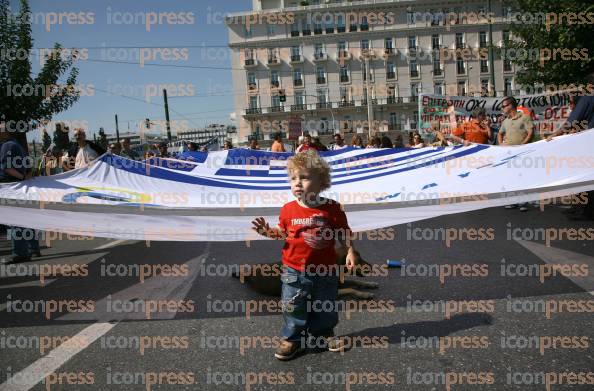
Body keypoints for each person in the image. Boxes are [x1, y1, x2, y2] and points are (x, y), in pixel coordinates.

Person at [251, 150, 356, 360]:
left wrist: (349, 250)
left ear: (321, 182)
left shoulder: (332, 209)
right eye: (293, 178)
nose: (297, 183)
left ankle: (323, 335)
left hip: (325, 271)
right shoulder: (288, 209)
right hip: (294, 270)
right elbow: (283, 233)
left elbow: (343, 232)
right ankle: (293, 339)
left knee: (325, 304)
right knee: (293, 305)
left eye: (304, 177)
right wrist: (267, 231)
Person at [0, 126, 41, 263]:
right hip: (19, 186)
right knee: (24, 219)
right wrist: (24, 179)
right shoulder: (17, 145)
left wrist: (20, 178)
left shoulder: (7, 146)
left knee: (15, 221)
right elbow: (28, 168)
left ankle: (20, 253)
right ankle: (33, 247)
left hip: (10, 186)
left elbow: (6, 167)